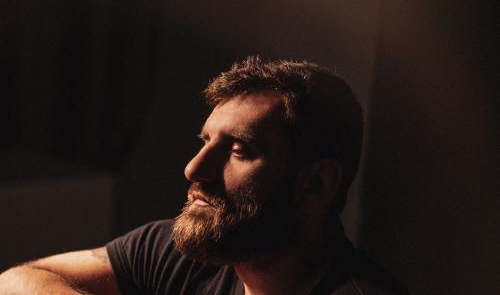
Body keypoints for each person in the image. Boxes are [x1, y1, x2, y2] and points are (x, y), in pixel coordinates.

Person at [0, 56, 408, 294]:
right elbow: (18, 280)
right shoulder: (174, 253)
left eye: (239, 150)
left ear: (316, 184)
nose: (194, 168)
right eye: (205, 141)